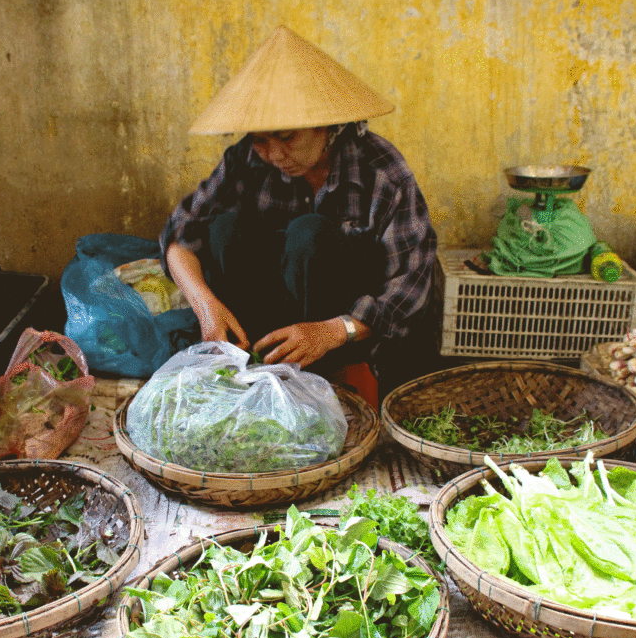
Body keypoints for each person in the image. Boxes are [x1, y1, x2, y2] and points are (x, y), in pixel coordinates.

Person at [160, 25, 437, 397]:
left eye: (287, 137)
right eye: (261, 140)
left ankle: (333, 374)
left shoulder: (381, 171)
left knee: (311, 234)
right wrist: (205, 306)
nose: (274, 155)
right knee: (226, 227)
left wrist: (333, 331)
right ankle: (253, 362)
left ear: (327, 126)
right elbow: (181, 237)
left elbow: (410, 284)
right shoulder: (245, 160)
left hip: (343, 331)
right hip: (269, 327)